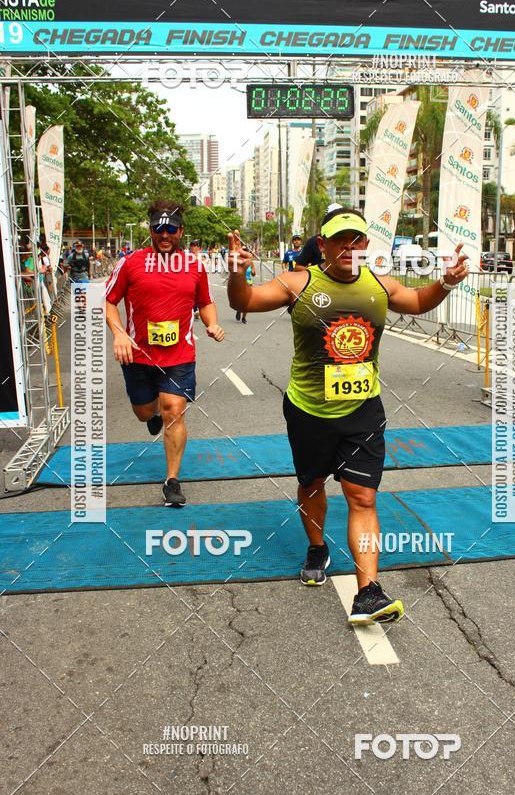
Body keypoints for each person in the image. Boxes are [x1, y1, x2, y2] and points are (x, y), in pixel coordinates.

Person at [227, 206, 468, 625]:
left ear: (366, 244)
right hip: (309, 410)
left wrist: (445, 282)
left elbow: (417, 301)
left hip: (362, 410)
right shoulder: (299, 282)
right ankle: (317, 547)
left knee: (363, 496)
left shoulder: (379, 284)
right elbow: (244, 300)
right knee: (311, 483)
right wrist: (236, 272)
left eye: (356, 239)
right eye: (340, 240)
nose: (348, 247)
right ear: (323, 245)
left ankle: (368, 592)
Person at [105, 200, 225, 507]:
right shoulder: (131, 263)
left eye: (171, 229)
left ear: (181, 231)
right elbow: (109, 300)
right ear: (150, 231)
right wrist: (119, 333)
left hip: (179, 355)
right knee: (145, 412)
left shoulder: (194, 266)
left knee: (175, 409)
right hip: (138, 354)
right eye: (159, 229)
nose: (165, 235)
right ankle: (154, 412)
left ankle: (172, 481)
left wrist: (212, 323)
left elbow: (205, 301)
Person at [235, 258, 256, 324]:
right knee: (240, 300)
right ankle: (239, 310)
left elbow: (254, 274)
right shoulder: (238, 262)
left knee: (247, 302)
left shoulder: (250, 263)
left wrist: (253, 272)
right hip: (240, 283)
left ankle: (244, 317)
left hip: (249, 283)